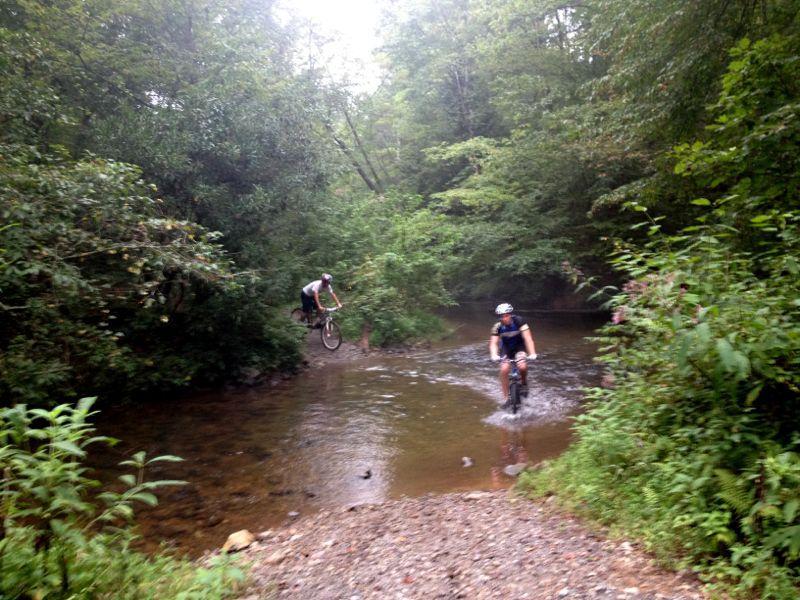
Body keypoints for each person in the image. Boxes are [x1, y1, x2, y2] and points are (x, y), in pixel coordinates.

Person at [489, 303, 537, 409]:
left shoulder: (519, 321)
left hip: (519, 346)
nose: (504, 317)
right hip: (506, 349)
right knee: (504, 369)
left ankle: (524, 383)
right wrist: (494, 355)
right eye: (502, 316)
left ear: (510, 314)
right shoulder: (497, 326)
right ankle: (506, 399)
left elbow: (528, 339)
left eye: (506, 315)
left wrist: (532, 353)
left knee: (522, 366)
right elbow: (493, 343)